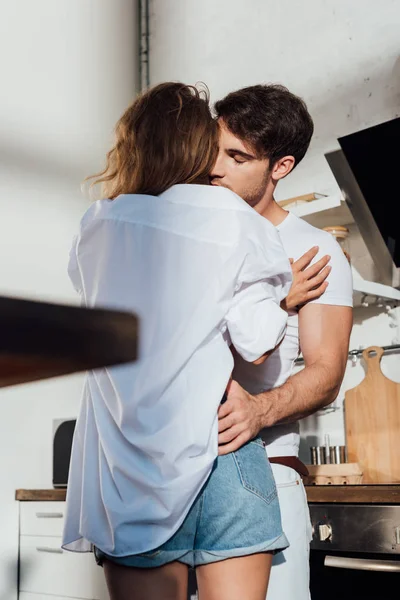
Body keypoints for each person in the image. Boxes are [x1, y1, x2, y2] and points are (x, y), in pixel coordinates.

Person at [62, 82, 297, 600]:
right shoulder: (231, 216)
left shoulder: (97, 224)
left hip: (128, 464)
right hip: (220, 449)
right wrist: (284, 298)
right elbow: (256, 341)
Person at [210, 84, 353, 600]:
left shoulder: (313, 249)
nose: (215, 167)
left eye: (237, 156)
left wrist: (259, 411)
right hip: (182, 477)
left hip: (266, 473)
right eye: (214, 148)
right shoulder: (195, 233)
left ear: (281, 166)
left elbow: (325, 373)